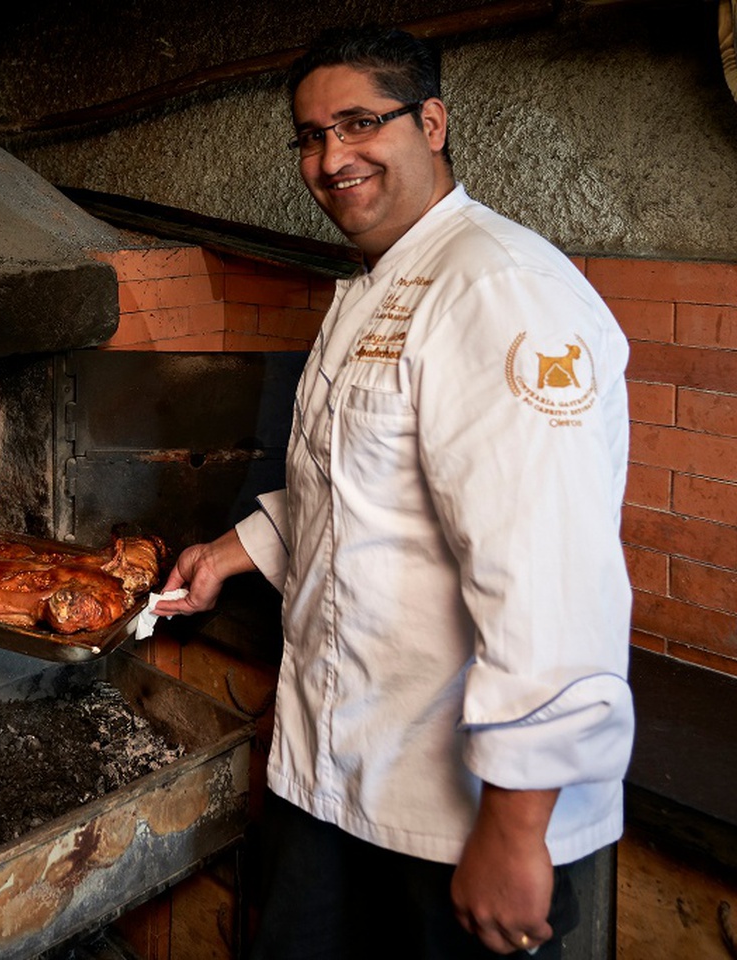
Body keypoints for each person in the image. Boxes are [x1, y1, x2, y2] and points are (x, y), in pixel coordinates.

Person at [153, 26, 634, 959]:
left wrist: (516, 827)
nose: (332, 157)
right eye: (310, 135)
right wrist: (227, 554)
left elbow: (548, 573)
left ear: (433, 123)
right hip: (340, 775)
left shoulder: (499, 290)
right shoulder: (380, 284)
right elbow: (356, 485)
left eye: (360, 123)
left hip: (453, 812)